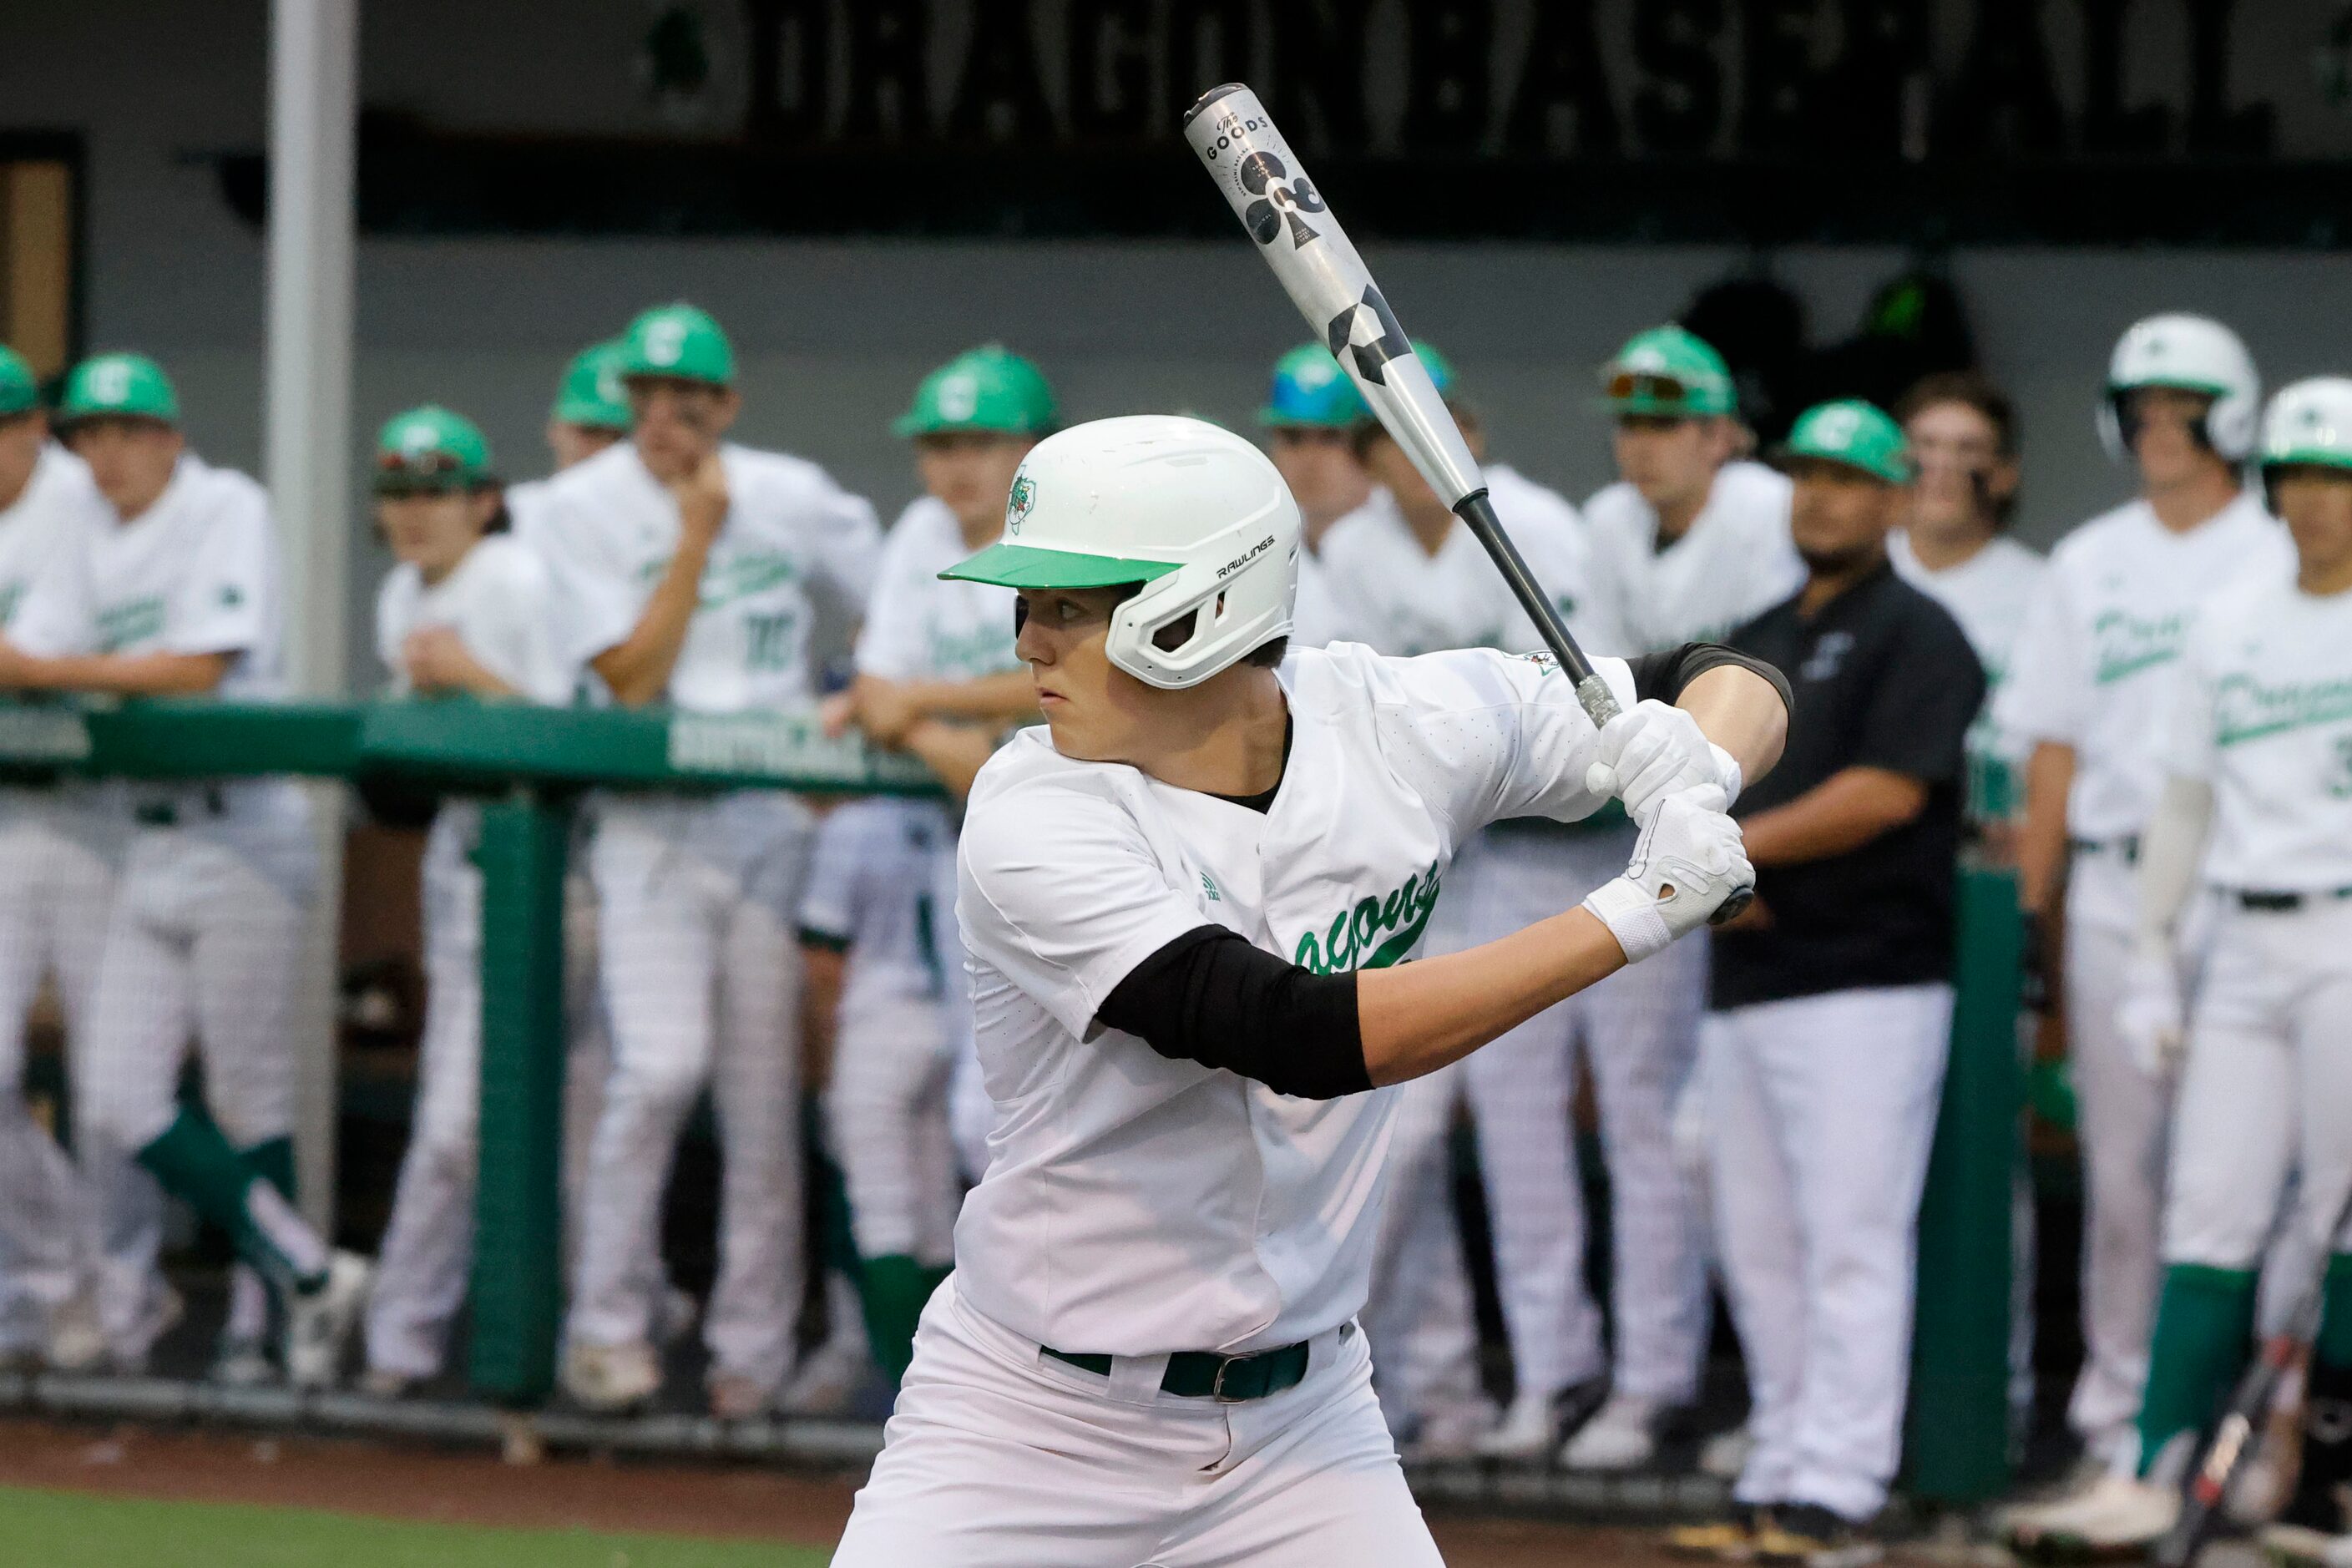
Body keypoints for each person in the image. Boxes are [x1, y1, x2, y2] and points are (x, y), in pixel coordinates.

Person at [830, 412, 1788, 1567]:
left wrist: (1704, 763)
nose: (1028, 644)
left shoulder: (1392, 720)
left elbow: (1718, 669)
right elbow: (1295, 1033)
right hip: (1031, 1420)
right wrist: (1630, 914)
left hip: (1303, 1424)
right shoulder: (1033, 812)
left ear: (1201, 608)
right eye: (1026, 604)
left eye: (1069, 607)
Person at [2005, 377, 2352, 1560]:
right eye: (2298, 478)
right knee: (2207, 1210)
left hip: (2348, 932)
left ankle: (2325, 1490)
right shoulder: (2234, 617)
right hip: (2242, 942)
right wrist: (2150, 957)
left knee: (2342, 1216)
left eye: (2337, 479)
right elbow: (2186, 805)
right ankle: (2155, 1467)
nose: (2315, 501)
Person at [0, 352, 369, 1383]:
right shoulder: (85, 528)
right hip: (150, 835)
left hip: (244, 826)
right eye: (92, 436)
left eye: (128, 431)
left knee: (252, 1093)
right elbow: (34, 649)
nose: (108, 453)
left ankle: (266, 1323)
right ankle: (306, 1270)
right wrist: (34, 666)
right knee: (117, 1096)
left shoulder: (223, 504)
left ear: (171, 436)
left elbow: (200, 669)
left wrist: (45, 671)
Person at [542, 304, 882, 1418]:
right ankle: (604, 1327)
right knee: (658, 1071)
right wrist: (695, 535)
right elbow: (632, 677)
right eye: (643, 396)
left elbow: (895, 606)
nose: (661, 419)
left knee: (759, 1104)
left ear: (725, 405)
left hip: (764, 818)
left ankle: (751, 1349)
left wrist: (854, 707)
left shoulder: (788, 492)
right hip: (648, 822)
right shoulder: (580, 505)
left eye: (685, 401)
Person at [1674, 401, 1984, 1566]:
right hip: (1750, 971)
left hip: (1869, 978)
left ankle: (1839, 1488)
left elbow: (1888, 792)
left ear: (1896, 498)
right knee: (1755, 1239)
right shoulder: (1753, 631)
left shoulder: (1921, 631)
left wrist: (1732, 845)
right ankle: (1778, 1467)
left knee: (1850, 1237)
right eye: (1807, 473)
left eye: (1851, 477)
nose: (1822, 495)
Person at [1315, 341, 1625, 1462]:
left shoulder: (1537, 525)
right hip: (1431, 858)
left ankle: (1558, 1376)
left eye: (1433, 425)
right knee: (1405, 1128)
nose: (1410, 451)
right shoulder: (1349, 545)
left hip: (1557, 853)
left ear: (1469, 434)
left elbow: (1590, 716)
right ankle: (1411, 1381)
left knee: (1537, 1133)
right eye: (1388, 432)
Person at [821, 345, 1052, 1378]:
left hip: (1043, 869)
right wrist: (934, 730)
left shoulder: (1063, 530)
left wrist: (921, 706)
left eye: (980, 442)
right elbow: (876, 693)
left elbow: (1061, 673)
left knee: (985, 1127)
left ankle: (1043, 1362)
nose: (957, 466)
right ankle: (915, 1375)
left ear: (1029, 450)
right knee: (874, 1116)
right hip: (922, 869)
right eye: (941, 444)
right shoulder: (918, 532)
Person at [357, 407, 572, 1396]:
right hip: (465, 873)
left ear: (485, 502)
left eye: (436, 490)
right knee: (460, 1128)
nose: (414, 512)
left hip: (562, 885)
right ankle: (402, 1346)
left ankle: (412, 1339)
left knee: (548, 1124)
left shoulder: (520, 578)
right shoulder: (399, 592)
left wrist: (469, 680)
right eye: (399, 491)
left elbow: (572, 734)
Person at [0, 343, 118, 1373]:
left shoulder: (81, 501)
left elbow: (34, 663)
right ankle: (54, 1280)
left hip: (98, 815)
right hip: (7, 819)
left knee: (116, 1085)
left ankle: (118, 1297)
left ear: (34, 426)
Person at [1581, 326, 1804, 652]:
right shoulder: (1606, 517)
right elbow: (1597, 659)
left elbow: (1775, 660)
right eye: (1629, 424)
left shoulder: (1768, 505)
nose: (1641, 447)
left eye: (1663, 425)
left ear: (1717, 435)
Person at [1890, 372, 2045, 837]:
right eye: (1927, 445)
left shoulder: (2046, 589)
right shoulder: (1853, 576)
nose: (1941, 465)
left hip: (1996, 837)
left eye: (1967, 450)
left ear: (2004, 474)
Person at [1256, 344, 1370, 647]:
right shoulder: (1258, 545)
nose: (1310, 458)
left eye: (1331, 438)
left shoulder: (1415, 532)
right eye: (1293, 438)